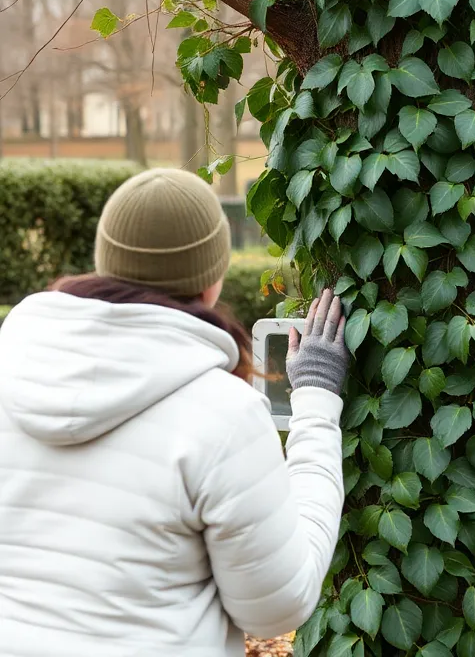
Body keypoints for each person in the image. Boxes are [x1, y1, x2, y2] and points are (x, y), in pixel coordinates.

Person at [0, 168, 348, 656]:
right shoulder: (224, 416)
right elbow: (276, 606)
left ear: (105, 263)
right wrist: (315, 398)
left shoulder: (8, 373)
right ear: (211, 280)